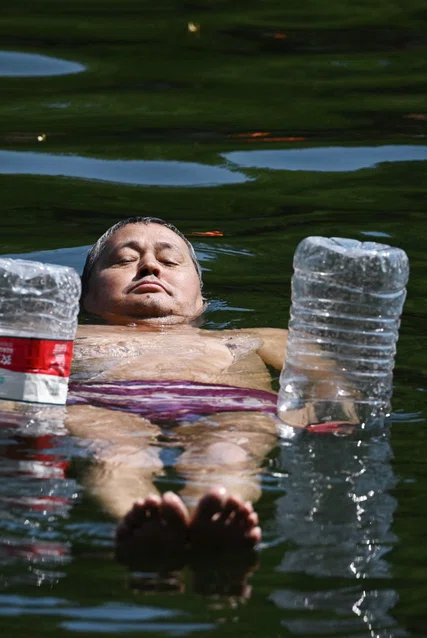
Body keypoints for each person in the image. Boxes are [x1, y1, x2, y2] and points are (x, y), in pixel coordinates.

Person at [65, 217, 348, 573]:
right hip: (102, 404)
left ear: (200, 295)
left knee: (226, 452)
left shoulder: (256, 336)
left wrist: (309, 413)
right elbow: (8, 382)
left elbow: (327, 380)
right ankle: (141, 520)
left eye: (169, 261)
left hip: (228, 406)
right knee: (118, 451)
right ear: (85, 295)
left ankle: (215, 512)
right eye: (124, 260)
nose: (150, 266)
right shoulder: (67, 336)